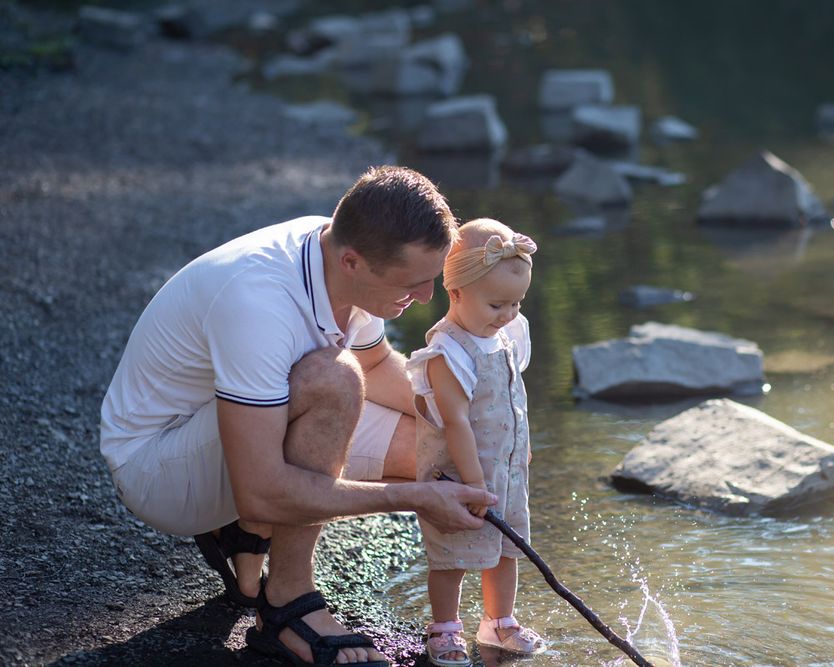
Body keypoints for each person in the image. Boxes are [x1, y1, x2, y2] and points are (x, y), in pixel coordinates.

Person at [99, 165, 496, 667]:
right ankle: (287, 602)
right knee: (335, 379)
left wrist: (475, 431)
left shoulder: (341, 251)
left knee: (434, 451)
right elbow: (261, 488)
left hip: (231, 425)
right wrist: (416, 498)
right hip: (158, 466)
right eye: (413, 283)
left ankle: (243, 534)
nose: (426, 297)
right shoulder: (259, 301)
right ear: (353, 262)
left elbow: (376, 364)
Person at [406, 219, 548, 666]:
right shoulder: (447, 352)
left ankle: (498, 621)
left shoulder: (506, 333)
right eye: (496, 304)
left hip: (506, 470)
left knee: (507, 548)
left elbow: (512, 397)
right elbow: (456, 424)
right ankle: (445, 627)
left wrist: (522, 446)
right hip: (459, 475)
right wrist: (473, 484)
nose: (507, 314)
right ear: (456, 293)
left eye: (516, 303)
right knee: (451, 555)